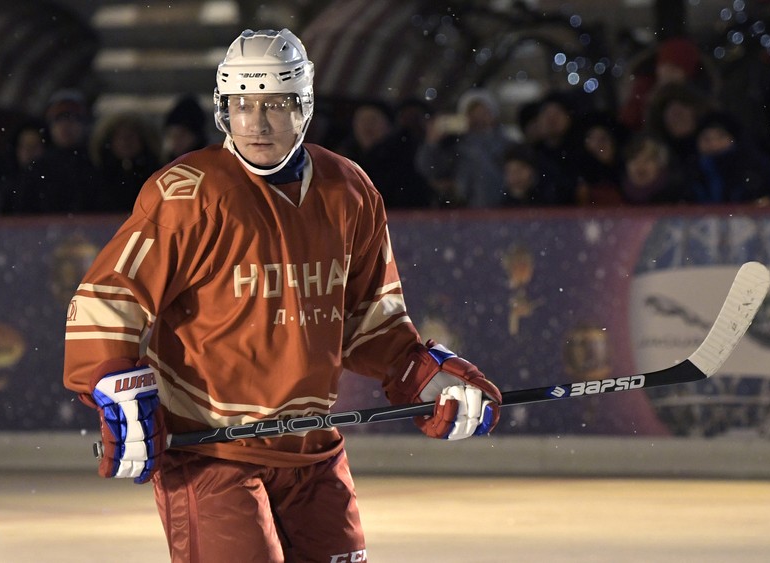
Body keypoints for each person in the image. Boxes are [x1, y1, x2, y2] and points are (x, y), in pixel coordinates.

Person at [62, 28, 501, 563]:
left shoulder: (350, 189)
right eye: (242, 104)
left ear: (305, 107)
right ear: (224, 109)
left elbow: (370, 321)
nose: (257, 121)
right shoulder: (187, 193)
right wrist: (112, 381)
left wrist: (423, 373)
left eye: (275, 103)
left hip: (314, 449)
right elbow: (108, 298)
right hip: (212, 451)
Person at [10, 89, 98, 214]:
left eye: (73, 118)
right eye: (59, 119)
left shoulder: (96, 164)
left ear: (84, 125)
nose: (66, 125)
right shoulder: (37, 169)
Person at [89, 111, 162, 213]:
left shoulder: (157, 175)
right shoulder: (96, 176)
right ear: (110, 141)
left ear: (143, 139)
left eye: (131, 136)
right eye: (120, 136)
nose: (125, 141)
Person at [161, 95, 208, 163]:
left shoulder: (209, 165)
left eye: (182, 134)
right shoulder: (162, 169)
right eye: (171, 135)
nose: (176, 140)